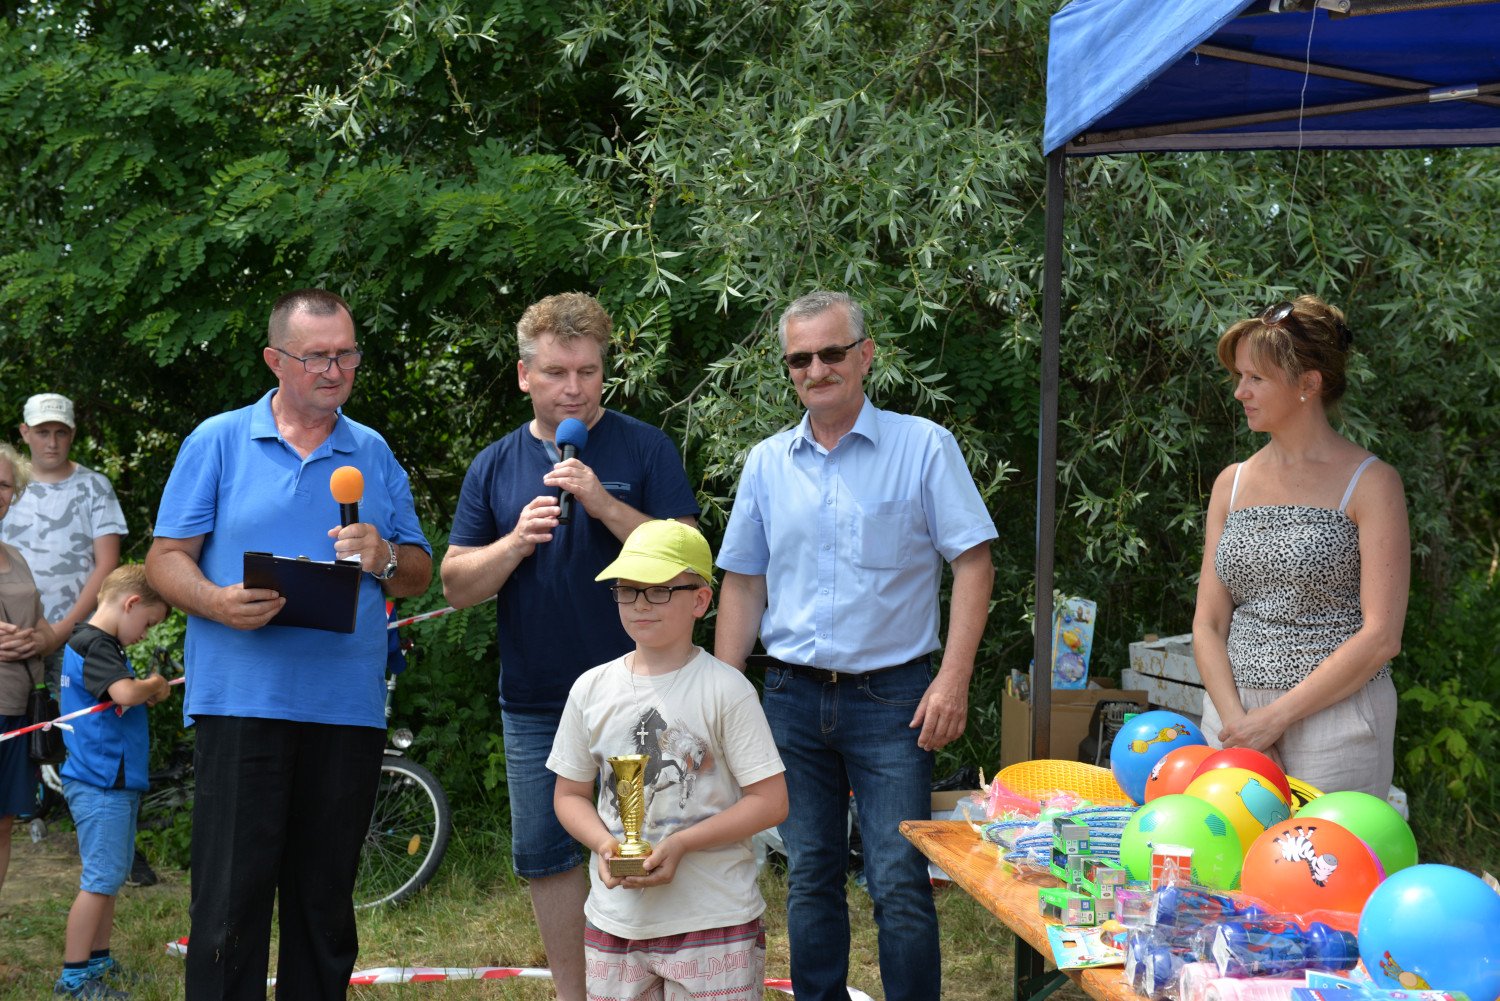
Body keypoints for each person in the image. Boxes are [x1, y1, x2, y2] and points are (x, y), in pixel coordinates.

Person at [145, 288, 432, 1000]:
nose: (336, 370)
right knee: (228, 908)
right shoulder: (217, 440)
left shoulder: (372, 451)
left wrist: (383, 558)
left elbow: (421, 572)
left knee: (323, 911)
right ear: (275, 360)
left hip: (345, 708)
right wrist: (217, 602)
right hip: (241, 703)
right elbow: (164, 559)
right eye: (317, 357)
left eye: (347, 355)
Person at [715, 291, 997, 1001]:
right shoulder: (766, 463)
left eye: (832, 352)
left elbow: (973, 562)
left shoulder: (923, 446)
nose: (816, 369)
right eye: (800, 359)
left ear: (866, 355)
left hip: (894, 699)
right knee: (810, 872)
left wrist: (953, 678)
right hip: (790, 697)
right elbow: (743, 581)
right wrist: (720, 692)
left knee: (898, 876)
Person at [441, 292, 699, 1001]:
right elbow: (456, 585)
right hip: (537, 699)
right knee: (547, 855)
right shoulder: (494, 465)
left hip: (643, 696)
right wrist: (513, 543)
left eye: (588, 371)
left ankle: (650, 988)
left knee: (644, 843)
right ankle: (573, 994)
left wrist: (603, 502)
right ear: (525, 374)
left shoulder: (643, 447)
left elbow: (688, 556)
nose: (575, 387)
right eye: (557, 372)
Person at [550, 519, 787, 1001]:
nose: (640, 604)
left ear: (700, 600)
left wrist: (681, 844)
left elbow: (771, 801)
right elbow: (569, 794)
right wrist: (605, 845)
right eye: (627, 590)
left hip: (714, 918)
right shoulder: (590, 689)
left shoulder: (728, 690)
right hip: (615, 921)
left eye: (658, 591)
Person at [1192, 295, 1409, 797]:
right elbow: (1208, 624)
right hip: (1231, 718)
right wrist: (1240, 726)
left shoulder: (1371, 483)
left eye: (1256, 378)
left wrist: (1274, 719)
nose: (1240, 392)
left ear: (1308, 383)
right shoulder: (1231, 483)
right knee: (1225, 852)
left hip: (1337, 726)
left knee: (1324, 849)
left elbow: (1382, 636)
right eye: (1239, 376)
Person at [53, 565, 172, 1000]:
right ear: (131, 603)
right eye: (148, 623)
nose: (145, 634)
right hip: (101, 782)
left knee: (111, 877)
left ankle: (97, 961)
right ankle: (73, 979)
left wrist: (140, 690)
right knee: (100, 879)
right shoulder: (97, 643)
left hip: (111, 782)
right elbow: (123, 693)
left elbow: (115, 696)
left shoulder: (93, 643)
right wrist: (152, 684)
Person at [0, 394, 126, 690]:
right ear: (24, 432)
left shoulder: (95, 486)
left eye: (61, 432)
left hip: (79, 635)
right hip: (12, 637)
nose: (52, 443)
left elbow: (107, 565)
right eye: (42, 432)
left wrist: (59, 631)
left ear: (73, 433)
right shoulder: (6, 485)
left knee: (69, 715)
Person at [0, 441, 57, 895]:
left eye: (4, 485)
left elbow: (43, 628)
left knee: (3, 826)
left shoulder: (14, 557)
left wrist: (38, 639)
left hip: (18, 710)